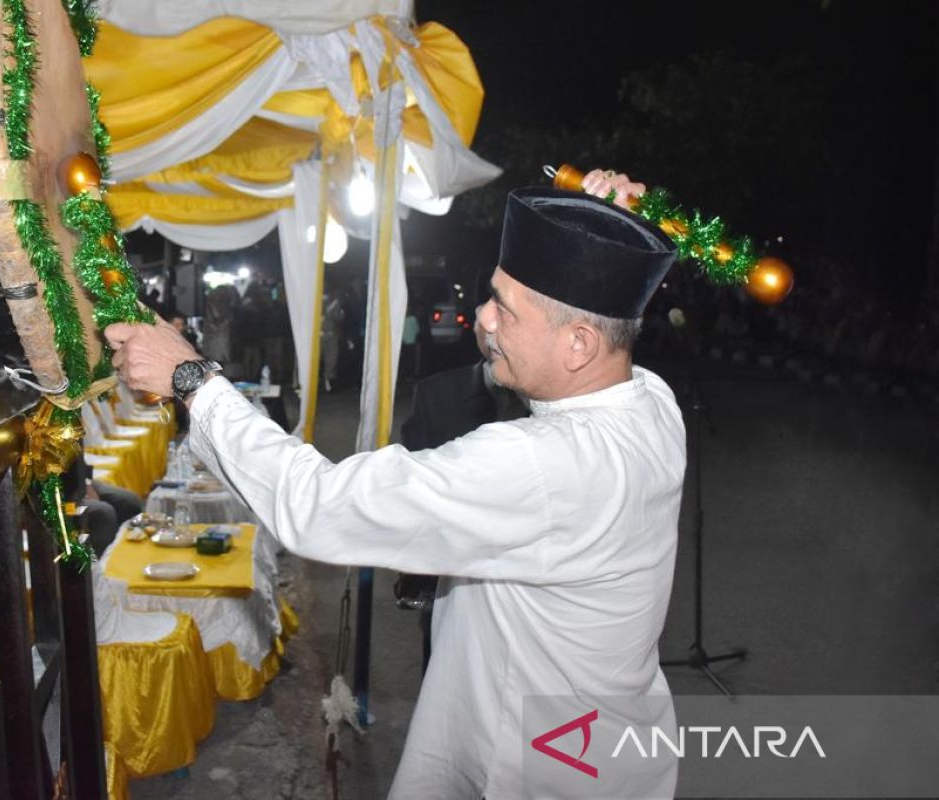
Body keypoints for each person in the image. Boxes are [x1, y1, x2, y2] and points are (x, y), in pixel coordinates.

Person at [106, 173, 684, 799]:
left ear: (578, 343)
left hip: (538, 765)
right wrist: (603, 236)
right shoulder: (650, 401)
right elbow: (612, 320)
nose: (483, 320)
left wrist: (194, 380)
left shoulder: (545, 465)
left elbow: (319, 507)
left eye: (505, 309)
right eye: (491, 296)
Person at [396, 309, 528, 674]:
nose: (492, 322)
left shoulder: (559, 405)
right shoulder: (437, 395)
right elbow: (412, 494)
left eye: (509, 312)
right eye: (488, 308)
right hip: (451, 593)